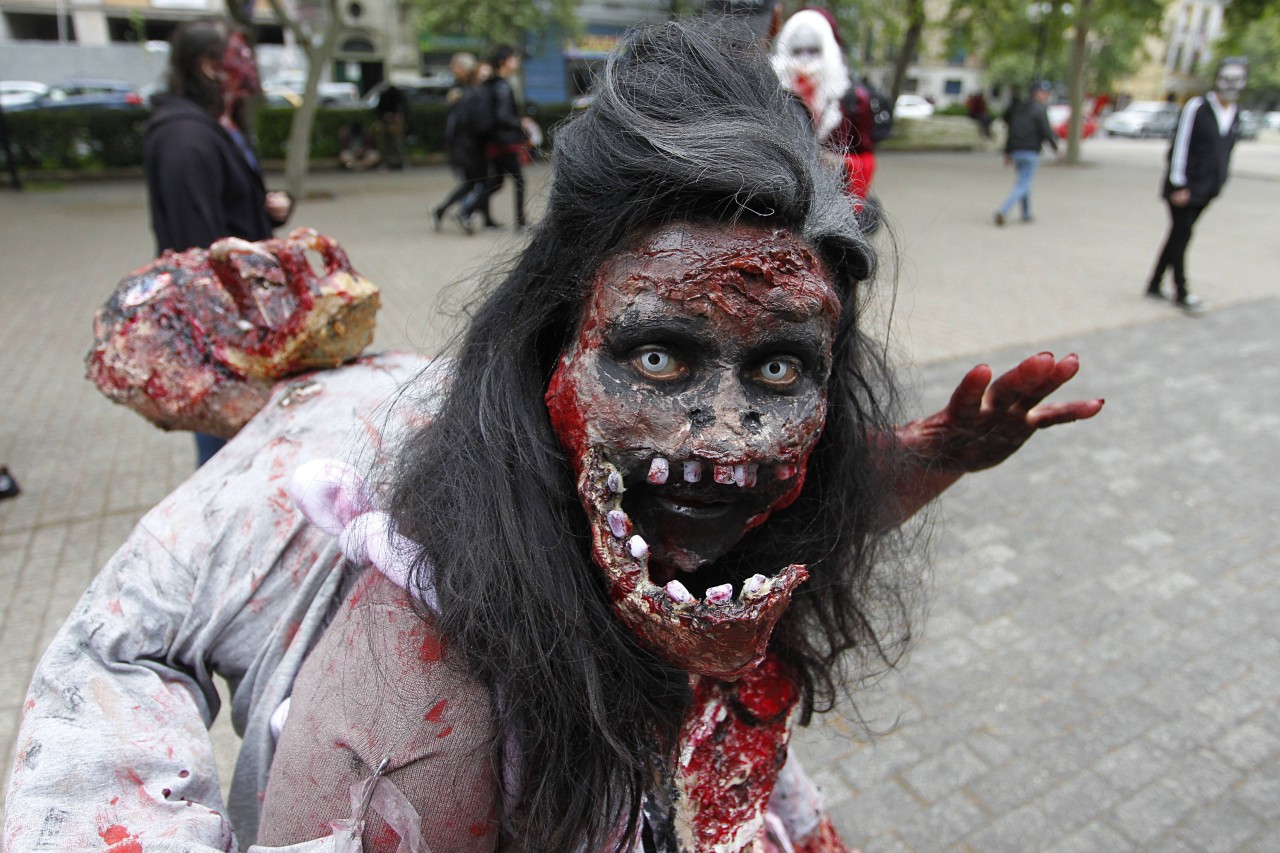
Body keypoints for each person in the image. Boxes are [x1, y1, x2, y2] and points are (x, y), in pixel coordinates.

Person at [5, 21, 1103, 852]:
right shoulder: (413, 724)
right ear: (548, 355)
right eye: (660, 357)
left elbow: (766, 503)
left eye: (778, 368)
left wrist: (932, 456)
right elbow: (108, 656)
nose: (725, 433)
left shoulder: (652, 503)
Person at [144, 18, 293, 466]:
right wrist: (233, 335)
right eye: (241, 55)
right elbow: (198, 248)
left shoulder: (220, 126)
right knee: (228, 451)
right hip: (220, 331)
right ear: (211, 67)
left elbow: (224, 213)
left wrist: (264, 211)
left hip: (243, 319)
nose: (253, 65)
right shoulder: (185, 138)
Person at [1145, 57, 1249, 313]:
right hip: (1184, 189)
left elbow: (1227, 150)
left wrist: (1221, 180)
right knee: (1182, 236)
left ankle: (1154, 283)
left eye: (1237, 80)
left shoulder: (1235, 113)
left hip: (1208, 189)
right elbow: (1179, 146)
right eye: (1227, 78)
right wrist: (1178, 183)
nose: (1231, 85)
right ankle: (1181, 291)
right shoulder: (1197, 107)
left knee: (1177, 235)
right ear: (1217, 79)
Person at [771, 8, 884, 207]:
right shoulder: (772, 94)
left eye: (813, 51)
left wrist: (841, 163)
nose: (804, 60)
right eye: (797, 51)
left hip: (836, 206)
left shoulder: (854, 100)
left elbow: (867, 159)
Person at [464, 45, 530, 232]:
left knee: (496, 181)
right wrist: (520, 123)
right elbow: (503, 116)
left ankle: (468, 210)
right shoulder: (502, 85)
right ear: (504, 62)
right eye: (513, 58)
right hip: (505, 142)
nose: (516, 61)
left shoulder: (490, 84)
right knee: (519, 180)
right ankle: (521, 222)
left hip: (493, 141)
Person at [430, 52, 491, 234]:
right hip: (467, 146)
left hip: (464, 145)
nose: (452, 70)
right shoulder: (465, 91)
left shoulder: (465, 90)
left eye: (455, 66)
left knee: (472, 183)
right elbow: (468, 122)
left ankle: (446, 211)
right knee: (481, 182)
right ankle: (466, 213)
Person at [994, 80, 1059, 226]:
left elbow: (1011, 130)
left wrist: (1008, 151)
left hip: (1016, 150)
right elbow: (1046, 131)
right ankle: (1004, 210)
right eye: (1044, 93)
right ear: (1036, 93)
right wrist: (1056, 149)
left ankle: (1026, 213)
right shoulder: (1040, 109)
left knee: (1024, 181)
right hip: (1030, 150)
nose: (1046, 96)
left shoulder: (1019, 108)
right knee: (1023, 183)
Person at [374, 82, 406, 171]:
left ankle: (398, 162)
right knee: (389, 143)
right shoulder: (393, 96)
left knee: (395, 143)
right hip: (387, 122)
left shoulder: (389, 96)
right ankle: (393, 162)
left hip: (392, 123)